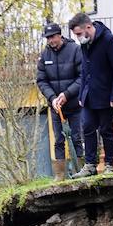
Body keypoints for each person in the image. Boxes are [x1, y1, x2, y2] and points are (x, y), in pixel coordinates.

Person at [66, 12, 113, 177]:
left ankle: (109, 164)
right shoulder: (85, 44)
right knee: (87, 128)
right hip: (89, 96)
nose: (77, 38)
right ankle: (90, 165)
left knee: (106, 130)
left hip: (107, 96)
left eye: (78, 33)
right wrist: (81, 95)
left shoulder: (109, 40)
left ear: (88, 27)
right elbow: (85, 71)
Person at [35, 22, 83, 179]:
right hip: (56, 107)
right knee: (58, 140)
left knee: (77, 137)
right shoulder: (44, 56)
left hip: (74, 103)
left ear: (59, 35)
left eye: (52, 37)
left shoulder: (75, 50)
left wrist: (67, 94)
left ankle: (81, 169)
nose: (50, 41)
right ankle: (60, 174)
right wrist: (52, 97)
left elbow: (82, 77)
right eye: (48, 38)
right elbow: (41, 81)